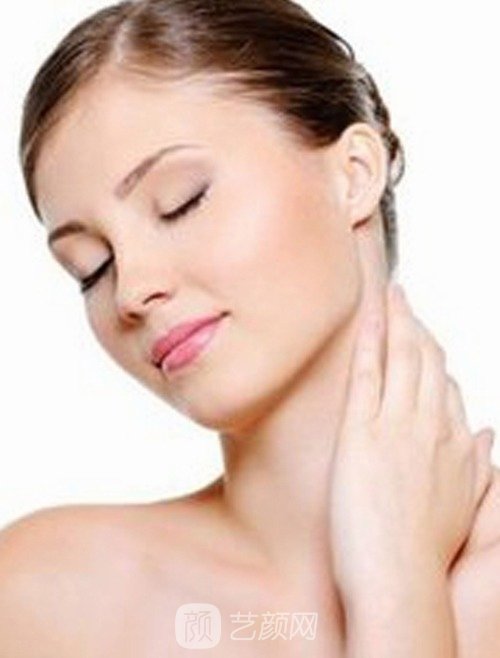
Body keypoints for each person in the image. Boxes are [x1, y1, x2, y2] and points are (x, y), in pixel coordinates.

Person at [1, 0, 499, 655]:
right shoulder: (45, 596)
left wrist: (400, 573)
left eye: (181, 202)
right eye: (92, 268)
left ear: (354, 175)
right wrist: (399, 589)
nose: (131, 290)